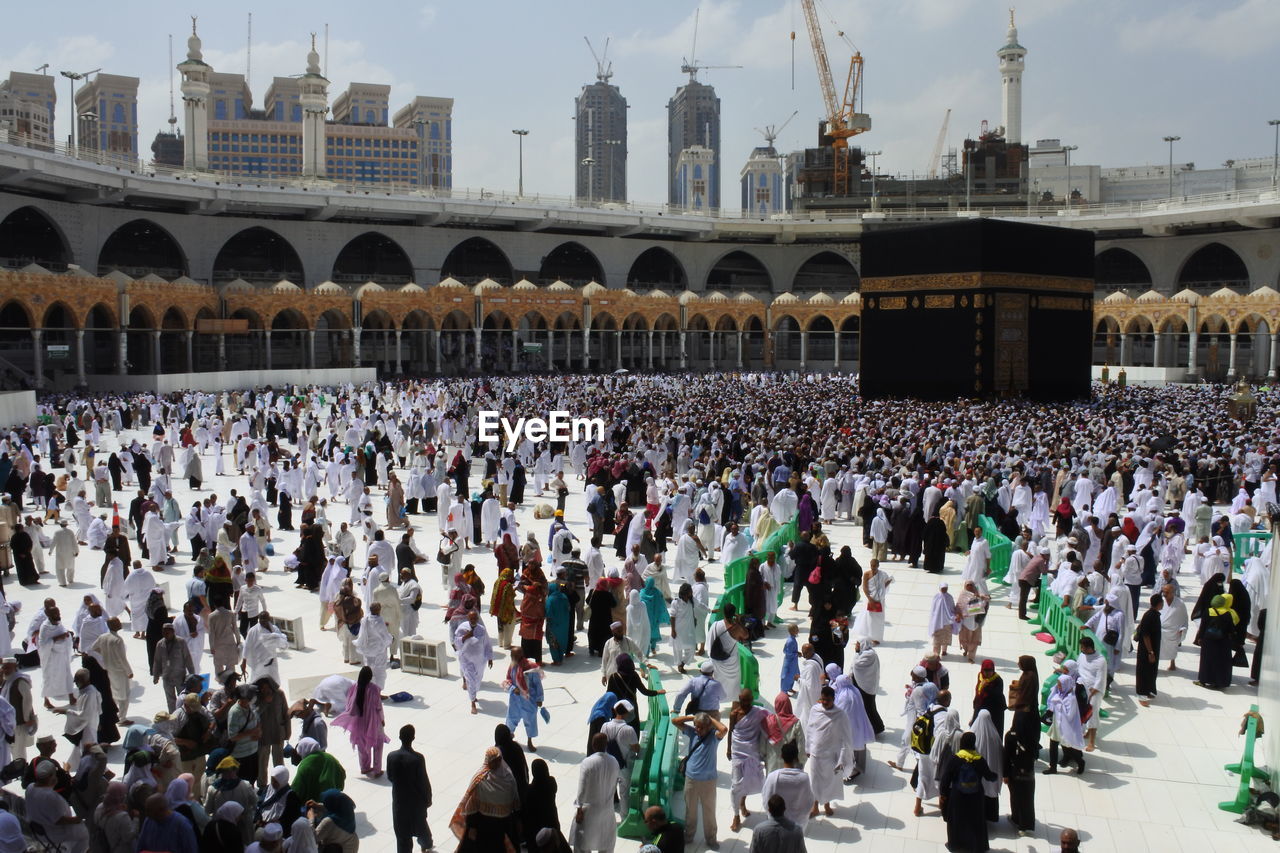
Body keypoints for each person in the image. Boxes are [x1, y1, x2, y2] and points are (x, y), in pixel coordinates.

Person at [673, 711, 728, 849]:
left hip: (708, 781)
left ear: (708, 726)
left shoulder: (714, 736)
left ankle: (711, 839)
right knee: (690, 811)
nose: (698, 729)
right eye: (696, 726)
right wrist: (693, 717)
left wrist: (710, 719)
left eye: (701, 727)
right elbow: (675, 721)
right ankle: (689, 835)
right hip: (691, 779)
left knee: (709, 811)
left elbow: (724, 729)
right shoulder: (692, 732)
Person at [939, 731, 998, 853]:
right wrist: (996, 776)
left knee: (956, 820)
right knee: (975, 821)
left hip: (958, 796)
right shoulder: (979, 759)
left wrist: (943, 794)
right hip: (976, 796)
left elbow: (946, 779)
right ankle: (976, 846)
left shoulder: (955, 759)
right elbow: (989, 776)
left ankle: (955, 845)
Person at [453, 748, 519, 853]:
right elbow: (472, 806)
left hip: (500, 827)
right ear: (488, 761)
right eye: (493, 760)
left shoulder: (508, 778)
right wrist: (472, 826)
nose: (497, 763)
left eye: (499, 759)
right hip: (483, 826)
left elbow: (514, 801)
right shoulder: (480, 780)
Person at [804, 685, 855, 818]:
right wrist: (808, 747)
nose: (825, 703)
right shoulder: (815, 710)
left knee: (830, 781)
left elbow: (846, 738)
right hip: (816, 753)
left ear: (833, 699)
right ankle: (814, 807)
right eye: (822, 700)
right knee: (815, 781)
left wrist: (843, 758)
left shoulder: (840, 715)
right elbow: (810, 729)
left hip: (832, 755)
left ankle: (826, 805)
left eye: (828, 700)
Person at [331, 666, 388, 778]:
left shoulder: (354, 687)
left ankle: (364, 767)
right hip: (373, 721)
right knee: (377, 744)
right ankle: (377, 769)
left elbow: (349, 704)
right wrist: (382, 719)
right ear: (370, 677)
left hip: (359, 721)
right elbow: (378, 707)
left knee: (361, 744)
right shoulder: (374, 689)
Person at [728, 688, 770, 832]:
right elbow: (731, 732)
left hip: (752, 752)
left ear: (752, 699)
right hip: (737, 753)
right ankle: (735, 815)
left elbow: (772, 721)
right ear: (739, 698)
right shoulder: (734, 714)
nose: (745, 703)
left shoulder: (758, 712)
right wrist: (728, 749)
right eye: (742, 700)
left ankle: (742, 804)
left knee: (748, 780)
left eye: (748, 700)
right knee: (735, 784)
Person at [25, 760, 89, 853]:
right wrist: (78, 819)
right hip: (51, 833)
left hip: (37, 830)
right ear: (51, 777)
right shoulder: (50, 796)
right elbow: (60, 820)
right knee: (85, 832)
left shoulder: (30, 788)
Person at [386, 725, 432, 853]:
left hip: (399, 802)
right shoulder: (417, 758)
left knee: (402, 836)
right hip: (416, 802)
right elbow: (423, 781)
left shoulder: (391, 756)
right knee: (421, 827)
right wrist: (428, 800)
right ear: (413, 738)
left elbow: (390, 777)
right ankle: (426, 845)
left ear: (400, 737)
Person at [573, 733, 620, 853]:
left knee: (582, 844)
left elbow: (582, 790)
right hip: (607, 810)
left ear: (593, 745)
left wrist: (579, 809)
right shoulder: (614, 761)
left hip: (589, 812)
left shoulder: (587, 762)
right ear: (606, 745)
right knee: (606, 844)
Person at [1003, 697, 1040, 837]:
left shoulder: (1010, 736)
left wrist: (1005, 774)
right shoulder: (1032, 736)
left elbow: (1006, 756)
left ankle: (1017, 820)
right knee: (1028, 798)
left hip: (1015, 772)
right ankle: (1026, 824)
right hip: (1029, 772)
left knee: (1016, 797)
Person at [761, 740, 812, 831]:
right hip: (797, 824)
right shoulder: (804, 778)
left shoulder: (772, 777)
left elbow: (766, 799)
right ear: (796, 758)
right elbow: (808, 803)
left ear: (781, 756)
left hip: (776, 823)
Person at [503, 648, 545, 751]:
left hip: (529, 700)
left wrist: (540, 699)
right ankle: (509, 737)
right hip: (515, 699)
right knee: (511, 719)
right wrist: (513, 688)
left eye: (515, 656)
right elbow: (508, 680)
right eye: (512, 656)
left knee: (530, 720)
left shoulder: (531, 668)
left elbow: (537, 684)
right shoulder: (512, 666)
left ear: (521, 655)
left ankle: (529, 741)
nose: (513, 658)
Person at [1044, 674, 1086, 775]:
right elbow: (1052, 704)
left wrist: (1060, 706)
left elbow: (1070, 715)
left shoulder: (1071, 699)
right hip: (1056, 725)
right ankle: (1052, 767)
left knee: (1069, 747)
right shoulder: (1059, 694)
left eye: (1060, 685)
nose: (1058, 686)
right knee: (1053, 745)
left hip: (1065, 727)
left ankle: (1080, 762)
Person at [1195, 594, 1238, 690]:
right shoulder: (1227, 614)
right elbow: (1231, 629)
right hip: (1222, 642)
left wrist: (1200, 638)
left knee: (1206, 661)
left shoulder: (1207, 612)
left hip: (1208, 641)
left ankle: (1203, 680)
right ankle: (1218, 682)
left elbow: (1203, 627)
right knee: (1220, 662)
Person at [455, 610, 494, 715]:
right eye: (471, 618)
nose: (473, 620)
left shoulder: (481, 629)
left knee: (477, 680)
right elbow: (456, 642)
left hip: (479, 660)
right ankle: (472, 703)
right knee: (471, 680)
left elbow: (487, 644)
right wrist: (465, 637)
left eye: (475, 618)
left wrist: (490, 657)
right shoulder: (462, 628)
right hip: (466, 660)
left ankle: (474, 694)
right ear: (468, 618)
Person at [1135, 593, 1163, 706]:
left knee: (1151, 670)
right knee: (1144, 671)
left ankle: (1149, 690)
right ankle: (1142, 695)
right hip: (1146, 650)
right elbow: (1145, 635)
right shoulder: (1149, 615)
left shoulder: (1155, 614)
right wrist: (1150, 652)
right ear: (1160, 604)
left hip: (1153, 649)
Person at [970, 659, 1006, 735]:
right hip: (980, 706)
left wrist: (987, 687)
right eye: (985, 670)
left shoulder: (998, 680)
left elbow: (997, 694)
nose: (988, 673)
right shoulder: (980, 676)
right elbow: (978, 692)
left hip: (994, 711)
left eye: (990, 670)